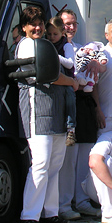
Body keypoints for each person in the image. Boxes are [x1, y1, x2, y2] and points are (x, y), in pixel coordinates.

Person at [16, 6, 80, 223]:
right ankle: (29, 216)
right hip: (37, 111)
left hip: (56, 111)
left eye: (40, 23)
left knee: (55, 165)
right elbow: (46, 75)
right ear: (23, 27)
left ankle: (50, 212)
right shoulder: (25, 46)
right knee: (41, 164)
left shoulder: (45, 45)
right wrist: (72, 82)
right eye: (32, 23)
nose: (37, 27)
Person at [57, 9, 103, 220]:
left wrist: (97, 108)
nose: (71, 27)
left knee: (85, 156)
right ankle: (65, 205)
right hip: (66, 105)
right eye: (66, 23)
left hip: (84, 105)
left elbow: (94, 78)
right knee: (68, 159)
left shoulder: (83, 48)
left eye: (74, 23)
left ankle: (82, 201)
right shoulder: (56, 48)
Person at [45, 16, 77, 146]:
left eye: (55, 34)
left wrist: (55, 56)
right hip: (53, 80)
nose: (52, 37)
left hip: (67, 79)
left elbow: (70, 64)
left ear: (62, 33)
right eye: (49, 34)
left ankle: (71, 128)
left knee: (70, 96)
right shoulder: (46, 45)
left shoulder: (66, 46)